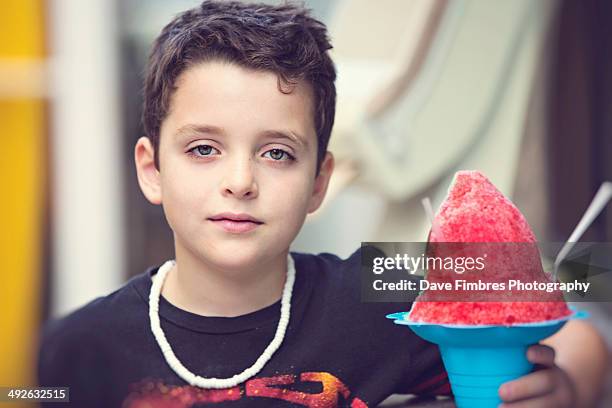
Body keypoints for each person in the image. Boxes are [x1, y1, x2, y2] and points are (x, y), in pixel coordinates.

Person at [37, 1, 608, 407]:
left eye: (278, 154)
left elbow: (584, 293)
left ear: (319, 181)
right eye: (204, 148)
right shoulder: (80, 345)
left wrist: (570, 387)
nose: (240, 181)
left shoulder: (377, 284)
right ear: (152, 169)